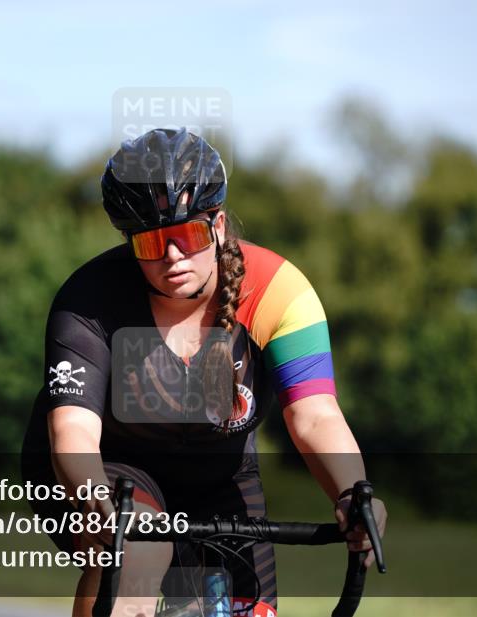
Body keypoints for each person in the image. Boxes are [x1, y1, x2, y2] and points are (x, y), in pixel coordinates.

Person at [20, 128, 386, 617]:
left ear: (217, 224)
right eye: (151, 243)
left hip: (219, 472)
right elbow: (73, 432)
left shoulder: (279, 290)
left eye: (186, 235)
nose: (171, 257)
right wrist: (96, 502)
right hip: (110, 465)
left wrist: (351, 492)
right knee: (138, 551)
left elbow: (315, 416)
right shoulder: (88, 300)